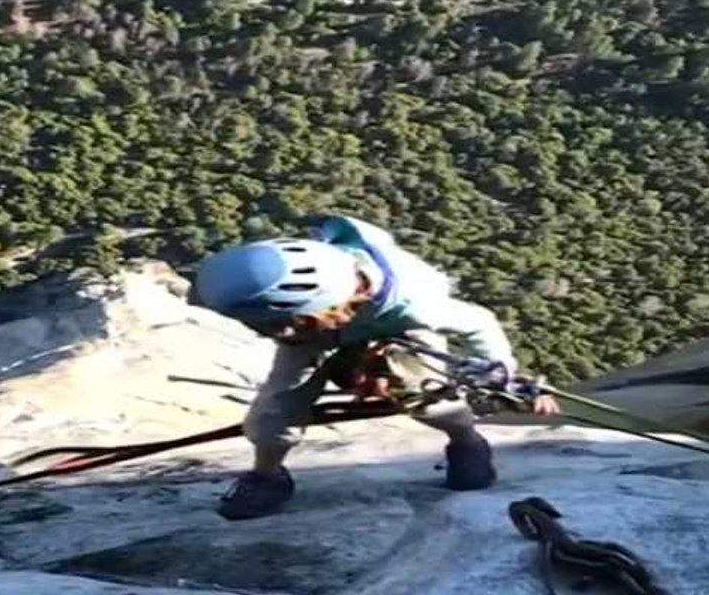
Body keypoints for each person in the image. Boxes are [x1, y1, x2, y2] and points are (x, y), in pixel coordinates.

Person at [189, 214, 558, 520]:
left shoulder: (415, 302)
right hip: (322, 331)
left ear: (333, 301)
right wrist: (303, 331)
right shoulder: (308, 310)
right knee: (275, 409)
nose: (277, 333)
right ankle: (267, 475)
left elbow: (479, 323)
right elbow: (292, 332)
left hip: (395, 329)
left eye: (285, 322)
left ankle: (466, 441)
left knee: (428, 395)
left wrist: (498, 370)